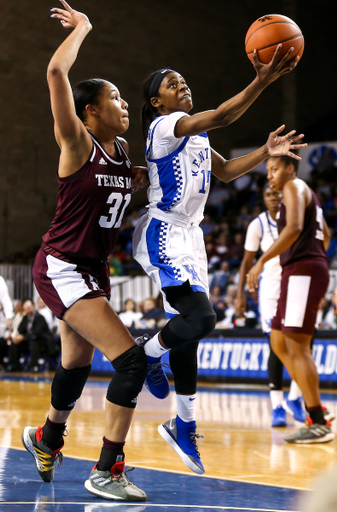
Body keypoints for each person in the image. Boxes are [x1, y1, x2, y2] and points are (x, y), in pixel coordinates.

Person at [132, 46, 306, 474]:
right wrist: (262, 81)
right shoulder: (165, 126)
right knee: (203, 319)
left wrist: (265, 152)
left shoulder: (194, 134)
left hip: (192, 237)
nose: (182, 85)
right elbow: (225, 116)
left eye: (183, 80)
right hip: (166, 231)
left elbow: (226, 172)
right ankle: (148, 353)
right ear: (157, 102)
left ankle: (184, 425)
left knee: (190, 333)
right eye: (173, 84)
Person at [21, 1, 148, 502]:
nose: (123, 104)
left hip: (94, 269)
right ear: (90, 110)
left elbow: (112, 195)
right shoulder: (77, 141)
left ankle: (45, 438)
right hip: (62, 265)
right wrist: (85, 27)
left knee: (75, 363)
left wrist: (136, 181)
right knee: (132, 363)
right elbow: (56, 70)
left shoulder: (122, 155)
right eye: (113, 97)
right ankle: (107, 469)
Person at [247, 154, 334, 443]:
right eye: (268, 170)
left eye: (275, 169)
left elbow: (294, 228)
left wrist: (262, 262)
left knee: (297, 346)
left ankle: (317, 421)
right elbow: (327, 234)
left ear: (290, 169)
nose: (270, 174)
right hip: (300, 271)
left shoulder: (293, 187)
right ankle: (314, 404)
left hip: (302, 271)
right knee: (279, 341)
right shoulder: (299, 192)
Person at [236, 184, 306, 427]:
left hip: (297, 283)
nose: (273, 197)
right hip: (271, 288)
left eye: (277, 193)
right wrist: (239, 295)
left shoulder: (296, 218)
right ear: (264, 199)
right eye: (269, 194)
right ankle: (277, 404)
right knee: (276, 345)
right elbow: (246, 262)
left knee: (300, 343)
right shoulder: (258, 224)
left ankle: (295, 399)